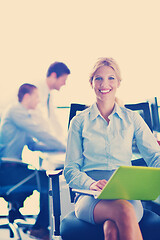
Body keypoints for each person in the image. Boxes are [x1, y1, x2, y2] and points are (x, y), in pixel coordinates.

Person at [64, 57, 160, 240]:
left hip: (126, 192)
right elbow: (70, 170)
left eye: (111, 78)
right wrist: (91, 184)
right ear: (91, 83)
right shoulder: (79, 122)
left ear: (118, 82)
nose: (104, 84)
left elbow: (155, 156)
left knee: (111, 230)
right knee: (123, 210)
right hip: (90, 195)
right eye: (98, 78)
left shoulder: (132, 119)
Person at [0, 83, 66, 240]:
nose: (38, 101)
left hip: (11, 168)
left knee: (43, 177)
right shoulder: (16, 111)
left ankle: (20, 213)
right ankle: (40, 228)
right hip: (7, 171)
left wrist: (55, 148)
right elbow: (40, 133)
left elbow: (33, 144)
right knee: (47, 180)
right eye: (36, 97)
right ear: (27, 97)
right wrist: (66, 145)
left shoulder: (19, 115)